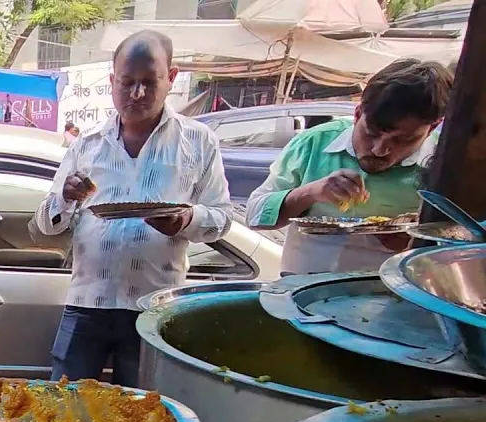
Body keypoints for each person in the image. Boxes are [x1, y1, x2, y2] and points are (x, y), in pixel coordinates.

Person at [32, 30, 232, 386]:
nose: (136, 94)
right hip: (87, 303)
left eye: (148, 82)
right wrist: (65, 196)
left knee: (142, 414)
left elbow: (221, 218)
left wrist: (186, 220)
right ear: (112, 81)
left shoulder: (198, 141)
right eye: (126, 83)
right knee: (64, 407)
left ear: (171, 78)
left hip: (153, 307)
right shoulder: (87, 145)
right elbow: (47, 224)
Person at [247, 58, 452, 275]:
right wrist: (310, 192)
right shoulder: (314, 143)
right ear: (357, 114)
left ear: (432, 128)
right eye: (371, 133)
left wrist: (414, 240)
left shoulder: (442, 164)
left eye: (403, 140)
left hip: (388, 298)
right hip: (300, 291)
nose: (379, 150)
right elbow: (255, 215)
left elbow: (460, 248)